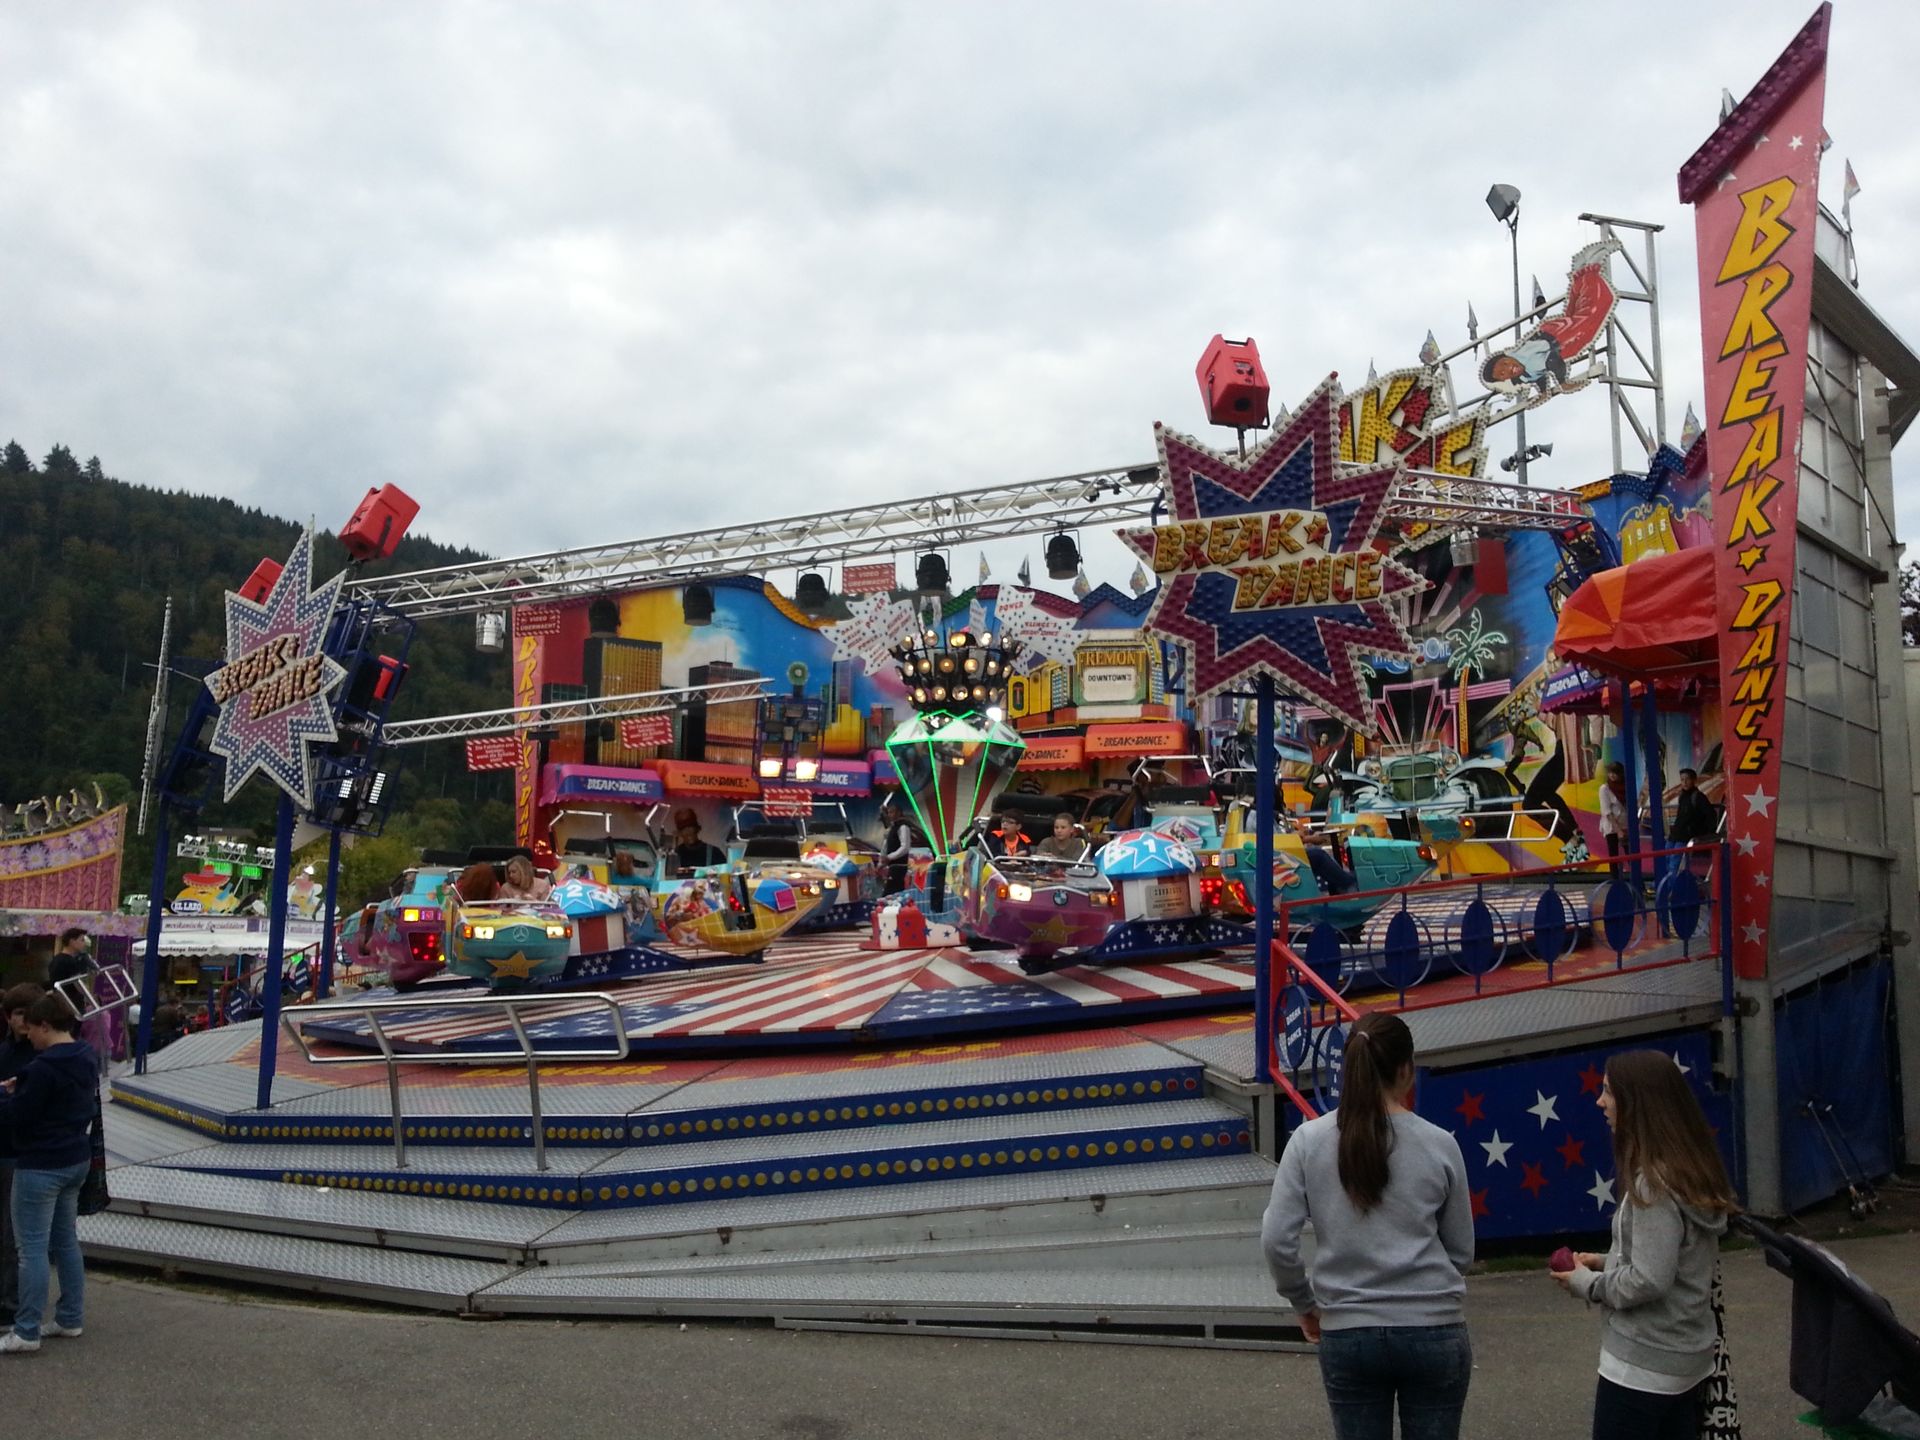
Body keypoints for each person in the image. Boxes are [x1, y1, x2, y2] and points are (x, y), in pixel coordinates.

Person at [1262, 1011, 1475, 1439]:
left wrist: (1303, 1302)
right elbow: (1461, 1251)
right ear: (1405, 1070)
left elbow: (1276, 1240)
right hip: (1433, 1328)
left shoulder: (1307, 1141)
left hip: (1348, 1329)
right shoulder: (1440, 1143)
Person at [1553, 1051, 1740, 1440]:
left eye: (1608, 1092)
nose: (1600, 1101)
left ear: (1636, 1103)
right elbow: (1674, 1258)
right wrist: (1606, 1260)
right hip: (1685, 1361)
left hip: (1642, 1367)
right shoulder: (1690, 1171)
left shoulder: (1652, 1184)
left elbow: (1650, 1279)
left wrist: (1586, 1283)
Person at [0, 993, 97, 1353]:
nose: (28, 1037)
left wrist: (6, 1096)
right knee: (66, 1241)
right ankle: (70, 1317)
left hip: (40, 1163)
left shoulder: (42, 1067)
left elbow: (18, 1117)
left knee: (31, 1250)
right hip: (76, 1158)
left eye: (32, 1030)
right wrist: (21, 1088)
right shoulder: (85, 1054)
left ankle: (26, 1330)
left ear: (45, 1025)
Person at [0, 984, 45, 1323]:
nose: (24, 1019)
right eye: (18, 1013)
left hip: (23, 1152)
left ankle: (12, 1302)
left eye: (29, 1013)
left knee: (13, 1233)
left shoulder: (43, 1055)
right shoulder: (4, 1052)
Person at [1666, 769, 1718, 848]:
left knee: (1675, 854)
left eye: (1687, 779)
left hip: (1687, 835)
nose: (1685, 782)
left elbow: (1710, 815)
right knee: (1667, 850)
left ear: (1693, 780)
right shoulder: (1682, 796)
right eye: (1682, 780)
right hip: (1677, 833)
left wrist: (1705, 834)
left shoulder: (1699, 797)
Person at [671, 808, 725, 874]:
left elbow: (725, 875)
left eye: (690, 826)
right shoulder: (674, 857)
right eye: (683, 828)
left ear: (697, 828)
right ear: (679, 833)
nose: (688, 832)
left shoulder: (715, 853)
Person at [1598, 762, 1629, 877]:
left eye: (1615, 773)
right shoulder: (1604, 789)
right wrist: (1618, 830)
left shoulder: (1626, 786)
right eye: (1610, 772)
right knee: (1614, 854)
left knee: (1630, 852)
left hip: (1625, 823)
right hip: (1611, 826)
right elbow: (1606, 812)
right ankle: (1615, 880)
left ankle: (1636, 878)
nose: (1612, 775)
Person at [880, 802, 914, 895]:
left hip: (900, 866)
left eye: (892, 812)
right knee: (893, 892)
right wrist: (881, 863)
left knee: (891, 892)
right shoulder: (893, 828)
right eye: (888, 812)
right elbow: (885, 846)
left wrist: (889, 857)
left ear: (899, 813)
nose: (889, 815)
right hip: (893, 866)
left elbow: (905, 847)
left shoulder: (903, 827)